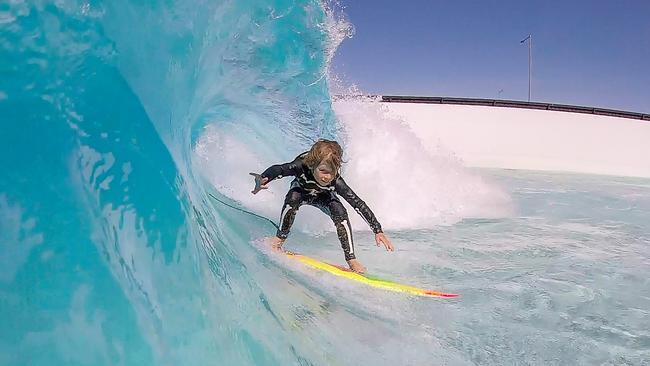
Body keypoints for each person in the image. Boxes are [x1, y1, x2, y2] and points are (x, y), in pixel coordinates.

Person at [250, 139, 393, 273]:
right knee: (293, 198)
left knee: (340, 212)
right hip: (301, 190)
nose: (327, 177)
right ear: (313, 165)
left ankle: (351, 259)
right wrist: (263, 178)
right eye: (323, 171)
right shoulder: (301, 165)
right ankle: (279, 239)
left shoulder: (335, 181)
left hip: (324, 196)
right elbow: (279, 169)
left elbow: (357, 202)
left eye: (332, 172)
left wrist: (377, 230)